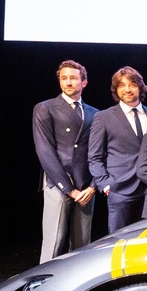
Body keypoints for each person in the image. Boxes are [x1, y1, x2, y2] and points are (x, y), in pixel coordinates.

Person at [32, 59, 98, 261]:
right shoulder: (46, 108)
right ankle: (44, 279)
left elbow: (99, 152)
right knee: (54, 241)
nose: (68, 82)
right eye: (64, 78)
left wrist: (93, 186)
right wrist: (69, 189)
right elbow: (45, 150)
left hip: (85, 186)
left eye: (73, 78)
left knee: (82, 244)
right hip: (58, 181)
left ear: (84, 82)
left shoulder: (95, 113)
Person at [88, 66, 147, 232]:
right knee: (119, 240)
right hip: (120, 190)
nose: (128, 89)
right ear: (116, 89)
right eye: (122, 85)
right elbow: (94, 156)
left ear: (141, 87)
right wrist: (106, 184)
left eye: (133, 84)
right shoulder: (103, 117)